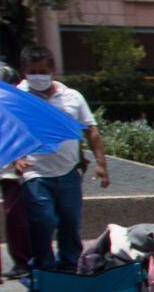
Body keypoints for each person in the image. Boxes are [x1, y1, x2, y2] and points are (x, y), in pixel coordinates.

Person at [10, 46, 106, 269]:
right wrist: (17, 157)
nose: (38, 76)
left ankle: (70, 267)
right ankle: (44, 269)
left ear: (52, 69)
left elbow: (91, 129)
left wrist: (101, 164)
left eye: (42, 71)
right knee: (44, 221)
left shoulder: (72, 97)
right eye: (32, 71)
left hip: (68, 173)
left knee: (70, 224)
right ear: (24, 70)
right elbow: (7, 129)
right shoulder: (17, 97)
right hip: (35, 173)